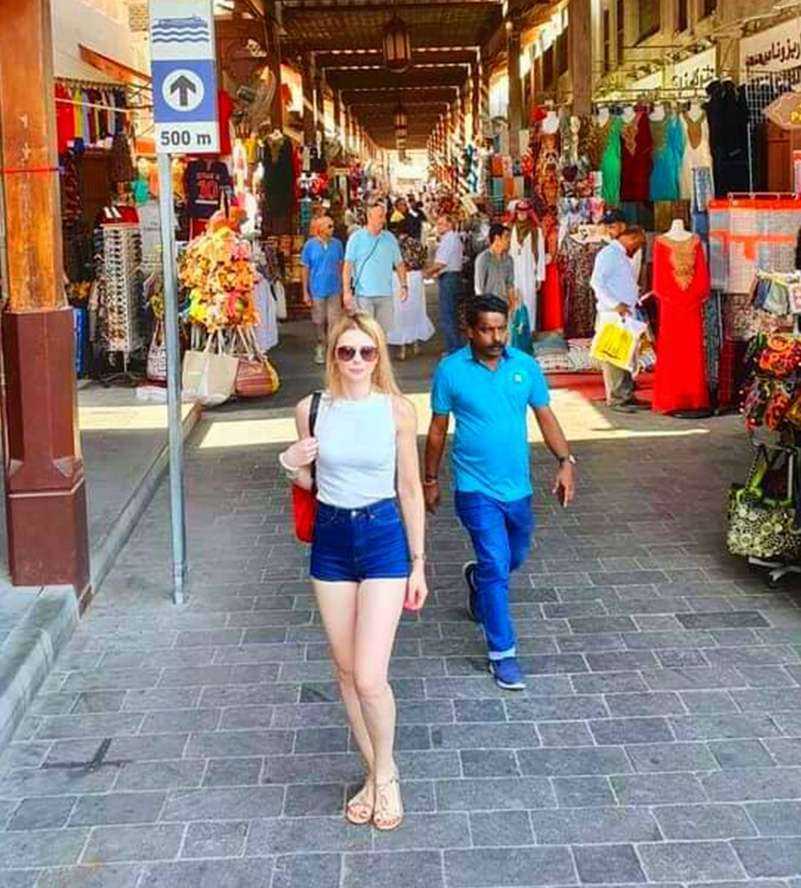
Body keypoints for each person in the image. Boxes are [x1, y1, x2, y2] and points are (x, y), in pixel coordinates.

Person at [278, 313, 428, 831]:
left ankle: (385, 776)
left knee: (369, 676)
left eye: (367, 352)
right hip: (332, 540)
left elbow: (410, 488)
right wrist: (290, 462)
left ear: (379, 355)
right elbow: (308, 482)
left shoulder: (397, 412)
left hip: (383, 533)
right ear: (332, 356)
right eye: (348, 352)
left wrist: (418, 563)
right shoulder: (311, 410)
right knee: (345, 673)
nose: (358, 361)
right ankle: (374, 772)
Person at [424, 295, 576, 691]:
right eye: (487, 330)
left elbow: (545, 415)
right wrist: (430, 479)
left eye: (501, 328)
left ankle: (476, 578)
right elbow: (438, 429)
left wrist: (565, 462)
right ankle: (502, 654)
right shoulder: (451, 371)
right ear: (469, 331)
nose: (496, 337)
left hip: (518, 489)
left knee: (515, 555)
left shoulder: (524, 366)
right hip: (474, 488)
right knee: (496, 563)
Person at [590, 225, 648, 413]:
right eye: (637, 244)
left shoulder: (620, 255)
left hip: (624, 313)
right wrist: (615, 304)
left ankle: (626, 395)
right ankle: (616, 398)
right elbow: (596, 282)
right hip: (612, 313)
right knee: (614, 356)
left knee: (626, 355)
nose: (637, 249)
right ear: (630, 238)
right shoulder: (609, 254)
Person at [343, 198, 408, 334]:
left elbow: (399, 264)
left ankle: (381, 356)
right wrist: (347, 292)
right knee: (366, 334)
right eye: (380, 216)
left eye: (384, 216)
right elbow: (347, 266)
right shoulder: (356, 238)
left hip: (385, 294)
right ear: (369, 217)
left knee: (383, 335)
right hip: (364, 295)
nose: (383, 220)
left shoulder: (389, 238)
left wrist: (404, 285)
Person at [300, 215, 345, 364]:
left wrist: (345, 287)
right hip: (317, 289)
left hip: (334, 288)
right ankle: (320, 343)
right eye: (329, 226)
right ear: (320, 229)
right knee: (319, 320)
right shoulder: (310, 246)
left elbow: (341, 266)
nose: (332, 229)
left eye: (332, 226)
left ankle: (333, 349)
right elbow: (305, 269)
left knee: (335, 321)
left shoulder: (337, 244)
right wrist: (305, 291)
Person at [387, 233, 435, 360]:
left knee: (400, 314)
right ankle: (416, 345)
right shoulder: (415, 245)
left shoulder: (393, 247)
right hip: (414, 279)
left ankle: (402, 349)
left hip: (398, 279)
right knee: (416, 312)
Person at [426, 214, 464, 354]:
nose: (438, 226)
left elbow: (440, 263)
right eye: (438, 223)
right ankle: (454, 347)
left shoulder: (449, 239)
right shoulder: (450, 239)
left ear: (449, 225)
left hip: (449, 278)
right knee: (451, 314)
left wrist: (425, 273)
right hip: (451, 277)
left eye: (441, 224)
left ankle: (453, 349)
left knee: (447, 315)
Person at [473, 223, 517, 307]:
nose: (509, 240)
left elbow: (510, 285)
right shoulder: (483, 258)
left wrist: (512, 305)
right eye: (506, 237)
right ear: (497, 238)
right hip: (488, 306)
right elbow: (479, 288)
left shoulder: (509, 260)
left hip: (504, 305)